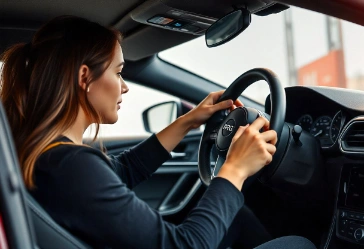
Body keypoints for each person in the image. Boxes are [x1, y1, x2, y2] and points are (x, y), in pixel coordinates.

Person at [0, 16, 316, 249]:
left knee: (237, 216)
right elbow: (186, 245)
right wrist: (235, 169)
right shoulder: (70, 166)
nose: (123, 87)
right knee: (299, 245)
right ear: (85, 77)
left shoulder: (48, 157)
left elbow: (122, 170)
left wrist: (189, 120)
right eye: (118, 72)